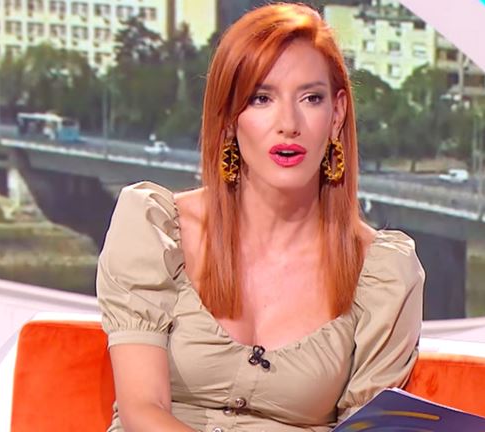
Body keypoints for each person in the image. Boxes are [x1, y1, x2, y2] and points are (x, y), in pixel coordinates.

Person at [97, 3, 424, 431]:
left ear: (337, 114)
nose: (288, 123)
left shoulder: (383, 274)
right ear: (229, 119)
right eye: (261, 98)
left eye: (311, 98)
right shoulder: (155, 228)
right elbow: (142, 409)